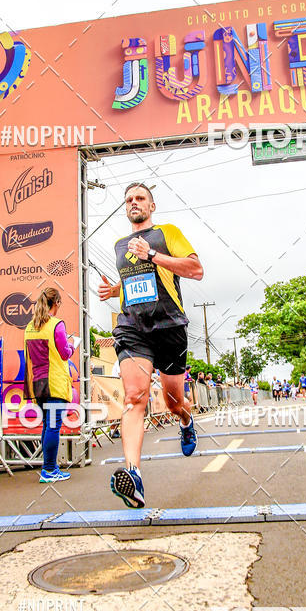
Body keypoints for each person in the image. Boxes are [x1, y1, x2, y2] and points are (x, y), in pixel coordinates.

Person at [98, 182, 203, 508]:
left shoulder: (166, 233)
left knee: (173, 403)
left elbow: (196, 270)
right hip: (133, 328)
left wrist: (155, 255)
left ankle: (185, 421)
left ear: (151, 206)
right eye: (129, 199)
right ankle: (134, 475)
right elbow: (136, 283)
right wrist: (114, 291)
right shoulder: (119, 245)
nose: (134, 203)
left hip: (170, 326)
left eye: (140, 198)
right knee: (134, 397)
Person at [24, 287, 73, 482]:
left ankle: (49, 467)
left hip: (37, 383)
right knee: (53, 426)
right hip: (55, 382)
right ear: (57, 303)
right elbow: (65, 353)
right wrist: (71, 346)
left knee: (47, 425)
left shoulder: (30, 326)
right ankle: (49, 469)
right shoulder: (56, 325)